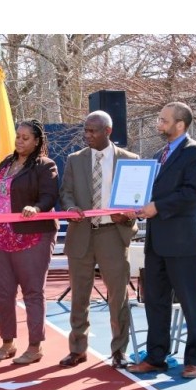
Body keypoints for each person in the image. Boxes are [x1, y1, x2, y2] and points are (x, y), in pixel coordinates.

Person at [128, 101, 196, 379]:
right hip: (156, 243)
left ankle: (195, 359)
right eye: (159, 120)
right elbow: (146, 193)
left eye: (164, 120)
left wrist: (157, 207)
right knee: (156, 302)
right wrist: (135, 204)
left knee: (190, 303)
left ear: (180, 125)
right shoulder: (158, 154)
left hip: (184, 244)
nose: (158, 124)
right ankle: (156, 357)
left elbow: (192, 192)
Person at [58, 111, 139, 369]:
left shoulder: (129, 160)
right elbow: (66, 193)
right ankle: (77, 349)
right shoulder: (75, 160)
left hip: (112, 236)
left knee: (118, 297)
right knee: (79, 296)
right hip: (81, 233)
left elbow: (136, 201)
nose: (88, 135)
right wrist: (70, 209)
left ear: (108, 131)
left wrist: (126, 216)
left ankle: (119, 351)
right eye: (86, 130)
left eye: (93, 131)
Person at [0, 119, 59, 364]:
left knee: (32, 292)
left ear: (37, 141)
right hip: (0, 237)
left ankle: (35, 346)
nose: (19, 141)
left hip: (32, 236)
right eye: (18, 136)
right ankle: (8, 343)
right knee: (4, 293)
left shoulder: (45, 166)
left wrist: (36, 207)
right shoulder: (6, 162)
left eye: (25, 137)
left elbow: (49, 196)